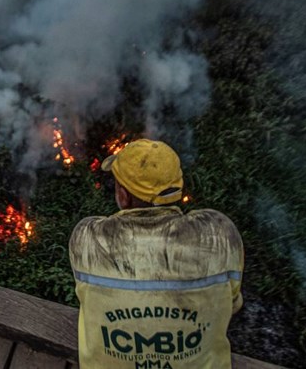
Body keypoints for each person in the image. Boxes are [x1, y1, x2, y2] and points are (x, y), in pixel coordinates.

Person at [69, 139, 244, 369]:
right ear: (177, 190)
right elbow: (233, 302)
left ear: (123, 196)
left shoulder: (87, 240)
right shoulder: (220, 236)